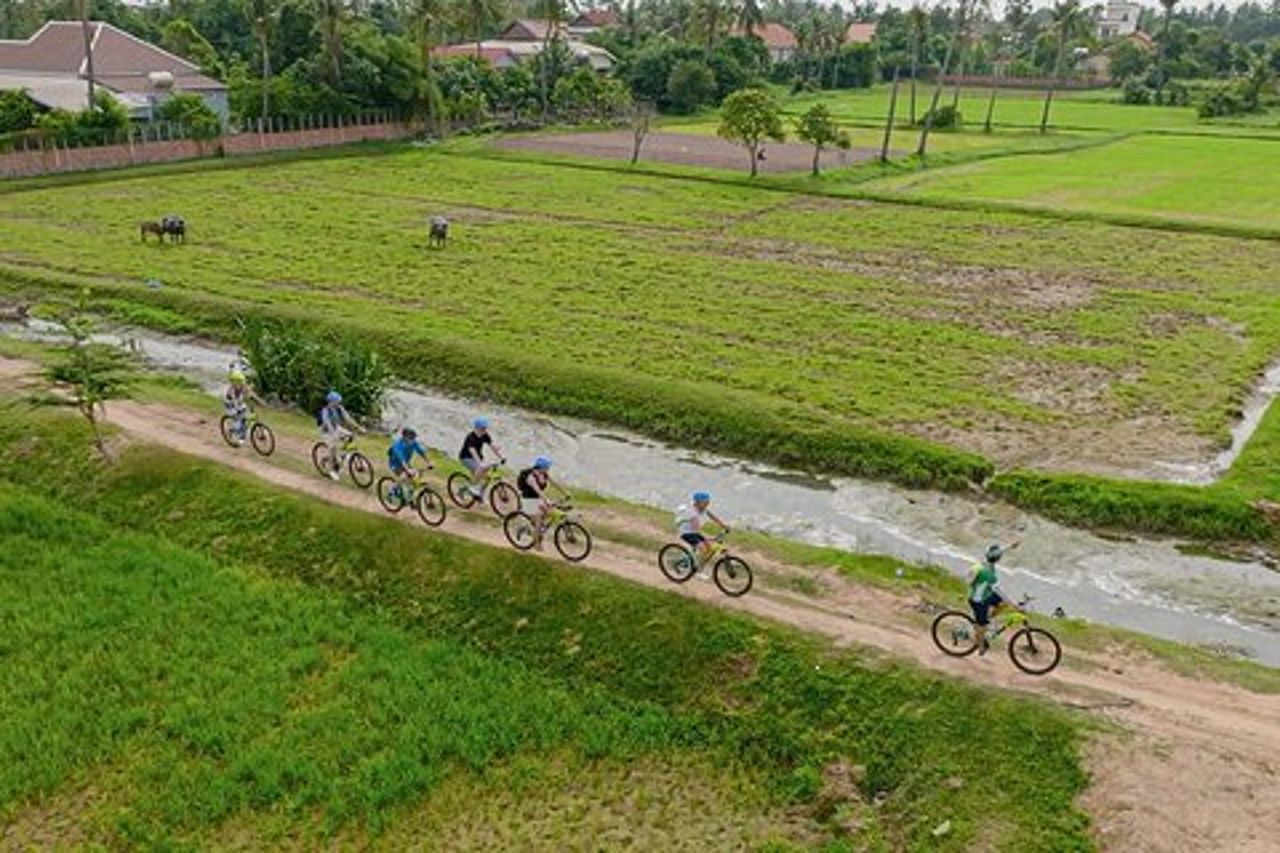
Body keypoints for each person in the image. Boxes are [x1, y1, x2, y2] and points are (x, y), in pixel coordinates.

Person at [969, 540, 1021, 654]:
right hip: (978, 601)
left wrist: (1010, 546)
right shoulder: (989, 574)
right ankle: (980, 645)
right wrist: (1014, 605)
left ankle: (986, 618)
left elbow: (996, 552)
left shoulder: (985, 562)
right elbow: (999, 590)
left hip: (985, 594)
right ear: (998, 559)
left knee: (1002, 604)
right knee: (981, 626)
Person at [517, 456, 568, 549]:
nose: (548, 469)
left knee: (550, 512)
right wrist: (547, 500)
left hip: (538, 500)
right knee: (539, 520)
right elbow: (538, 491)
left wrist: (565, 493)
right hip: (528, 501)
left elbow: (555, 483)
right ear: (541, 467)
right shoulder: (531, 477)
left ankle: (529, 527)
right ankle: (536, 543)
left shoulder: (544, 474)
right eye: (547, 467)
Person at [675, 491, 730, 572]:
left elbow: (713, 517)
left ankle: (691, 562)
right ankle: (698, 569)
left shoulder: (703, 509)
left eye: (708, 502)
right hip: (687, 533)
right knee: (704, 550)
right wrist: (710, 537)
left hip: (694, 531)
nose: (707, 504)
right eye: (705, 502)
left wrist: (723, 525)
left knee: (709, 549)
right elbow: (697, 531)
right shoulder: (693, 514)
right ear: (697, 503)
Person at [318, 391, 363, 481]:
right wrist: (333, 434)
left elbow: (348, 419)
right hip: (327, 432)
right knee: (333, 448)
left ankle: (342, 454)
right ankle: (331, 471)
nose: (338, 403)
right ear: (331, 402)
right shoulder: (325, 411)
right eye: (337, 401)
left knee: (351, 436)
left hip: (337, 429)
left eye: (339, 401)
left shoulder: (339, 408)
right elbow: (327, 423)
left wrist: (358, 428)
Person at [459, 417, 504, 499]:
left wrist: (501, 457)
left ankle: (479, 495)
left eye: (485, 427)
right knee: (479, 470)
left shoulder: (485, 435)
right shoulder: (470, 437)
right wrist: (480, 463)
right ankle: (472, 487)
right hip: (466, 458)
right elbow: (473, 452)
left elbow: (492, 446)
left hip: (478, 457)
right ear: (477, 427)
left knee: (487, 477)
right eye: (483, 428)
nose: (485, 429)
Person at [387, 427, 431, 502]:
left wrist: (428, 462)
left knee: (417, 477)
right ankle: (391, 491)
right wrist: (407, 470)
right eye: (411, 437)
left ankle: (409, 498)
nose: (413, 439)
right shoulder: (397, 445)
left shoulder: (413, 443)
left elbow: (421, 452)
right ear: (404, 437)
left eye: (413, 437)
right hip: (395, 464)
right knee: (404, 476)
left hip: (406, 463)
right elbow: (401, 459)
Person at [222, 369, 261, 445]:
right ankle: (237, 433)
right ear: (233, 382)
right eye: (239, 382)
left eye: (242, 381)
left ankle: (243, 433)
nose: (241, 384)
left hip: (238, 404)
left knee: (246, 417)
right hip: (230, 406)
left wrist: (254, 407)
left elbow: (250, 397)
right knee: (239, 419)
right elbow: (233, 401)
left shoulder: (243, 387)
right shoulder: (230, 391)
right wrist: (239, 409)